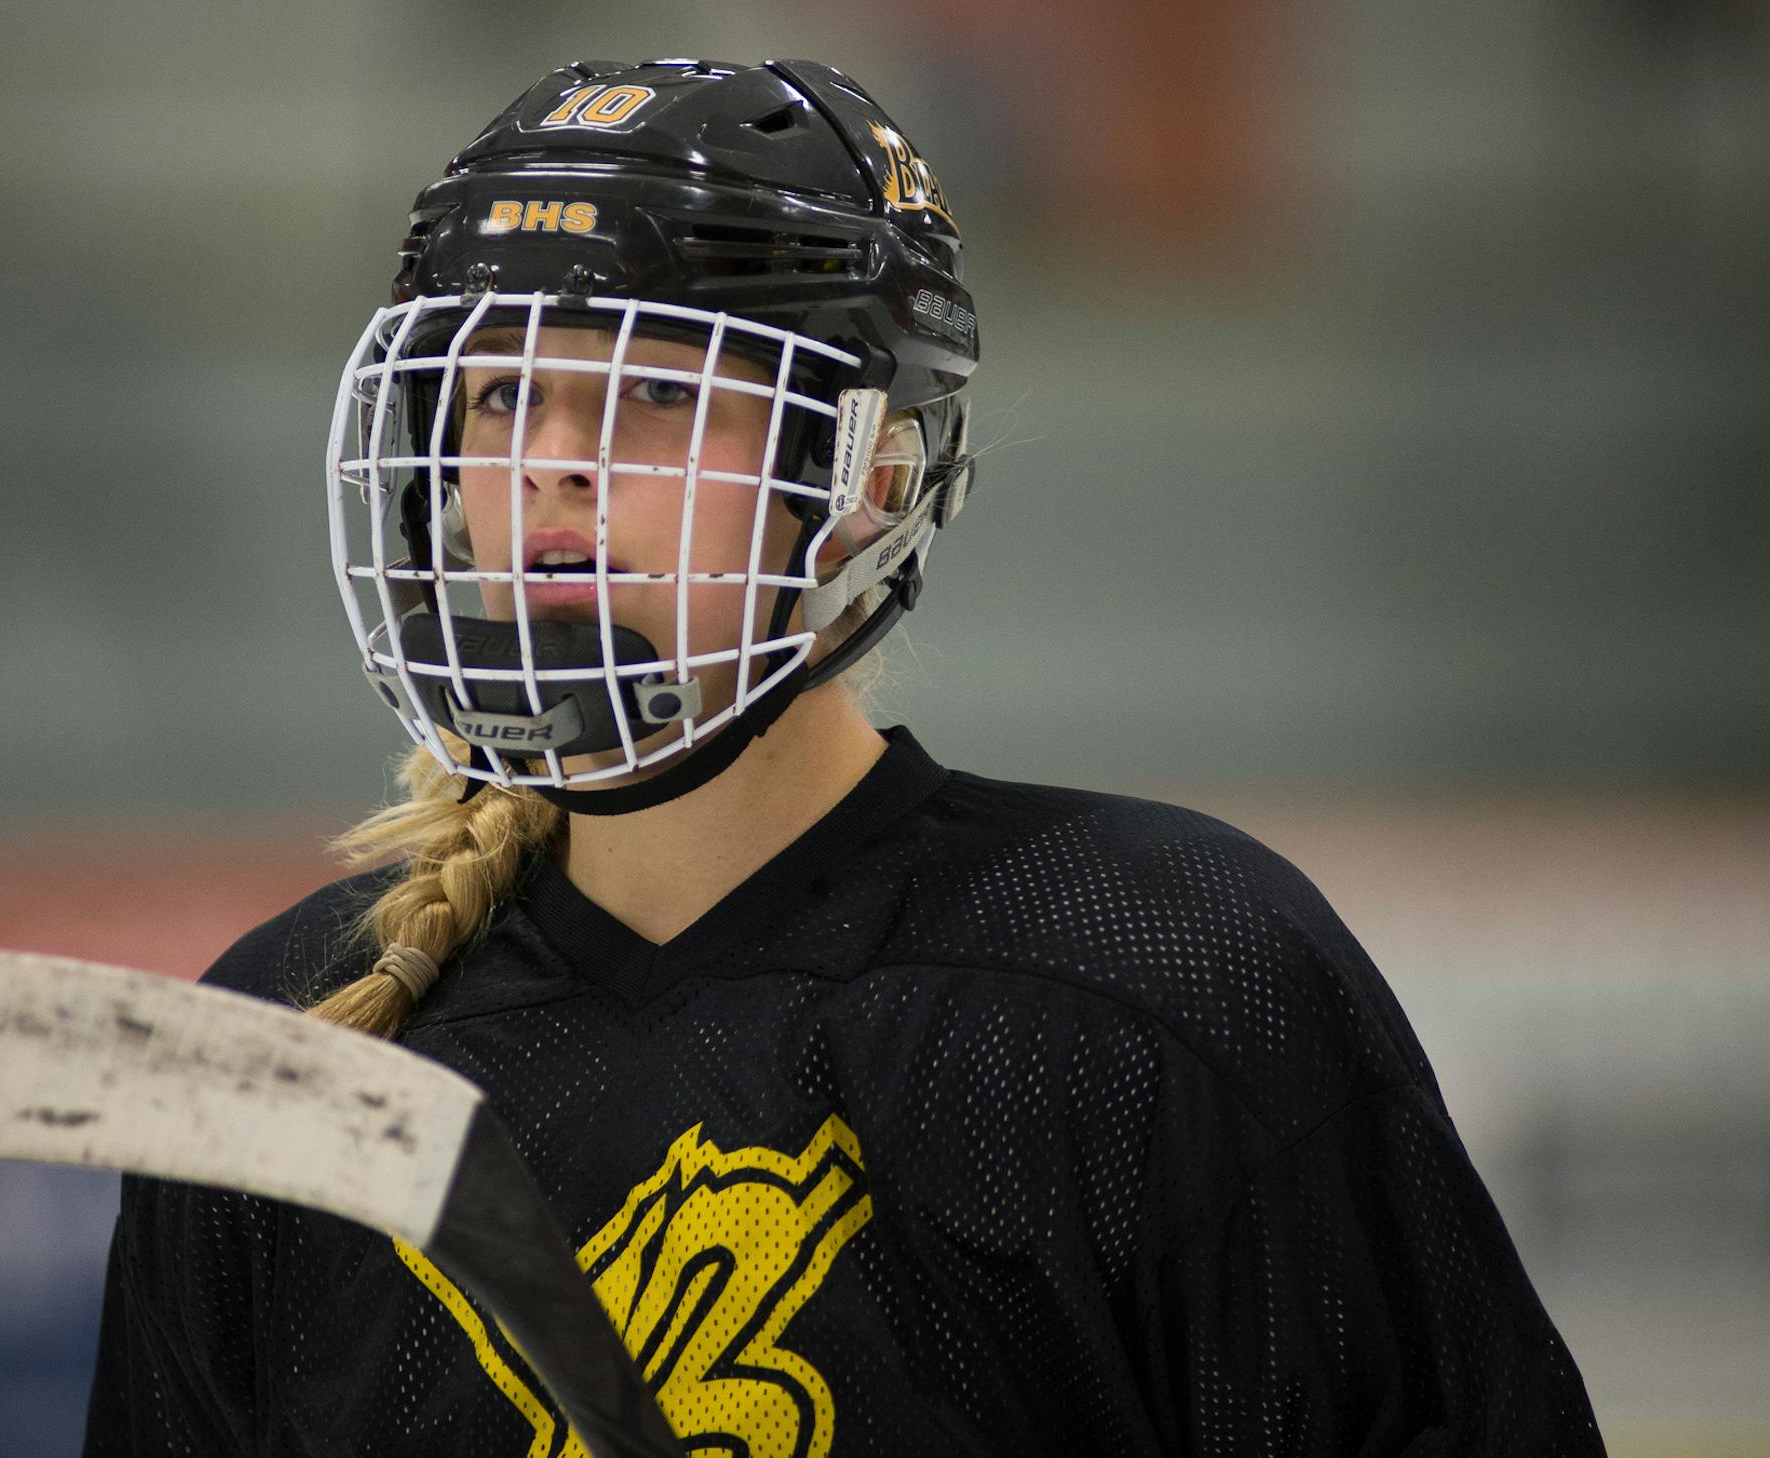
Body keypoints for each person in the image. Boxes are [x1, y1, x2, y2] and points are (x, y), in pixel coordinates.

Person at [83, 58, 1603, 1456]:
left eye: (655, 390)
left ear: (865, 473)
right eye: (496, 392)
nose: (546, 456)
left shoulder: (1168, 976)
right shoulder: (292, 1050)